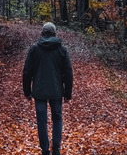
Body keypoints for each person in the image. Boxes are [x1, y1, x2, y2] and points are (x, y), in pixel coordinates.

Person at [23, 22, 73, 155]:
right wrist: (67, 93)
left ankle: (45, 150)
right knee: (57, 118)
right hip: (56, 91)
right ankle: (56, 148)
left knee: (41, 121)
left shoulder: (34, 49)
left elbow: (27, 71)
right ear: (55, 33)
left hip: (39, 91)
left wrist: (27, 91)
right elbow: (68, 72)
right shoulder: (62, 50)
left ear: (42, 33)